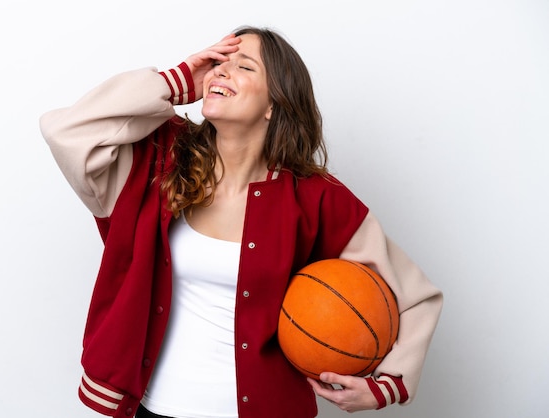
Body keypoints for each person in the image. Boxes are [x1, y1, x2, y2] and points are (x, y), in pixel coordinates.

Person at [40, 26, 443, 418]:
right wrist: (174, 81)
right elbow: (65, 131)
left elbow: (416, 297)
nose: (220, 70)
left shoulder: (315, 198)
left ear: (274, 104)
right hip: (154, 408)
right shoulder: (157, 160)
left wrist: (385, 386)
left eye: (245, 67)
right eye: (219, 62)